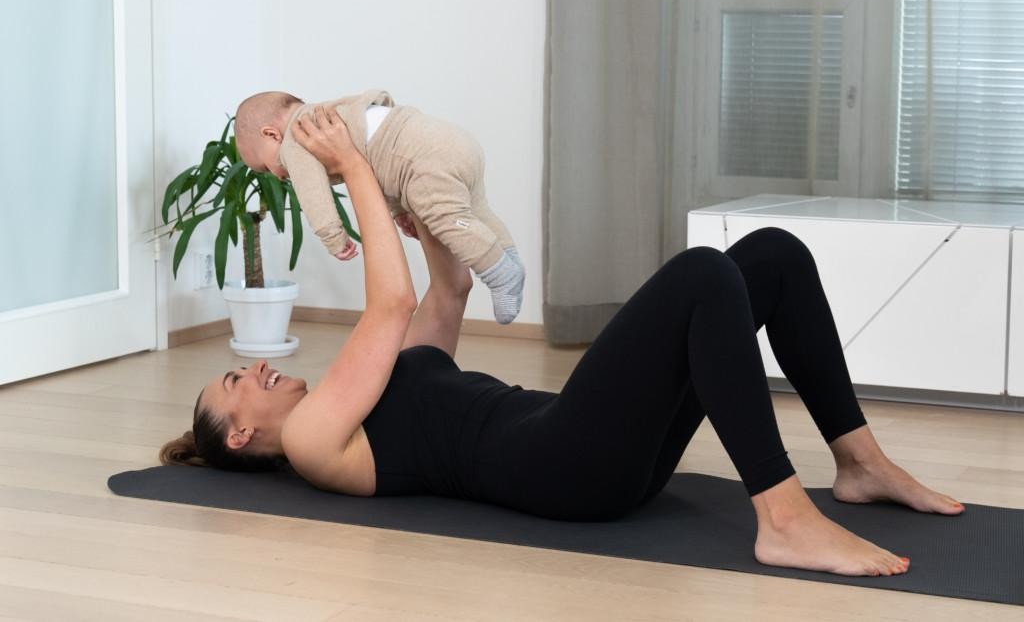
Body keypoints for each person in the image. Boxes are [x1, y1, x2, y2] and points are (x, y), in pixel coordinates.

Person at [162, 106, 964, 578]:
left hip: (587, 449)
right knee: (701, 276)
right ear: (240, 434)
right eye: (236, 381)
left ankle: (859, 465)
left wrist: (420, 215)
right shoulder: (308, 442)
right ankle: (782, 517)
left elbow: (444, 294)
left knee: (773, 257)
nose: (256, 367)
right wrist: (350, 168)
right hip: (563, 464)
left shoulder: (360, 398)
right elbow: (389, 302)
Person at [234, 90, 525, 324]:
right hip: (453, 141)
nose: (275, 174)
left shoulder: (299, 138)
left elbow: (313, 193)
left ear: (271, 134)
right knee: (478, 210)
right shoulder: (336, 112)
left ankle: (500, 274)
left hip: (426, 160)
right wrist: (400, 211)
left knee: (447, 217)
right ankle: (509, 256)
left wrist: (332, 236)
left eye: (264, 166)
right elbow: (383, 156)